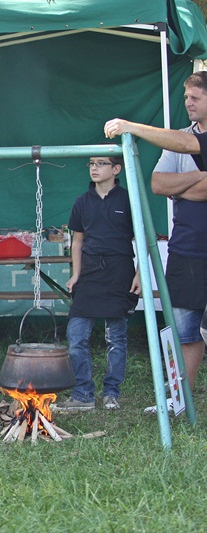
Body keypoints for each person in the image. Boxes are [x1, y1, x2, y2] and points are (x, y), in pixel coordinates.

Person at [105, 72, 207, 401]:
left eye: (195, 97)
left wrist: (132, 127)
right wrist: (197, 177)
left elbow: (190, 147)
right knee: (183, 332)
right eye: (186, 97)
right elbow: (158, 185)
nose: (188, 102)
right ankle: (180, 400)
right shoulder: (178, 138)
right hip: (186, 250)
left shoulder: (185, 142)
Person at [52, 155, 140, 411]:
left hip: (120, 271)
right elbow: (77, 241)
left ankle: (111, 393)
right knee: (76, 335)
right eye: (91, 163)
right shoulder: (82, 201)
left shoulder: (129, 198)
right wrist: (76, 273)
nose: (94, 167)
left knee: (117, 337)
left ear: (116, 169)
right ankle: (83, 395)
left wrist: (139, 275)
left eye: (101, 163)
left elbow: (145, 240)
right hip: (89, 272)